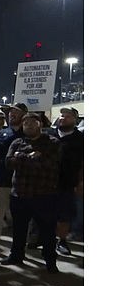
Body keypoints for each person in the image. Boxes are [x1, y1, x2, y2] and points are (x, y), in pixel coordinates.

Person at [0, 113, 62, 273]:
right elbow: (8, 162)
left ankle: (50, 261)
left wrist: (20, 158)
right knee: (19, 229)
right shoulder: (17, 142)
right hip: (20, 194)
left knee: (47, 231)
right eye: (25, 124)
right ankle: (16, 255)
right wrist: (30, 157)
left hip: (45, 195)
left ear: (39, 124)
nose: (28, 126)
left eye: (32, 123)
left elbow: (50, 164)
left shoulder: (52, 142)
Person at [0, 103, 27, 252]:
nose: (12, 114)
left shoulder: (30, 134)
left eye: (16, 112)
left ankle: (19, 246)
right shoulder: (1, 134)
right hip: (2, 181)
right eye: (11, 111)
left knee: (21, 217)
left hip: (23, 183)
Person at [49, 107, 84, 255]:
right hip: (46, 182)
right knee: (46, 213)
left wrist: (81, 182)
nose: (63, 118)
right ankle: (45, 239)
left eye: (68, 116)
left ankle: (61, 241)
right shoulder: (49, 135)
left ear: (75, 121)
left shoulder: (80, 138)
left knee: (64, 215)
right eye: (62, 115)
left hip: (67, 183)